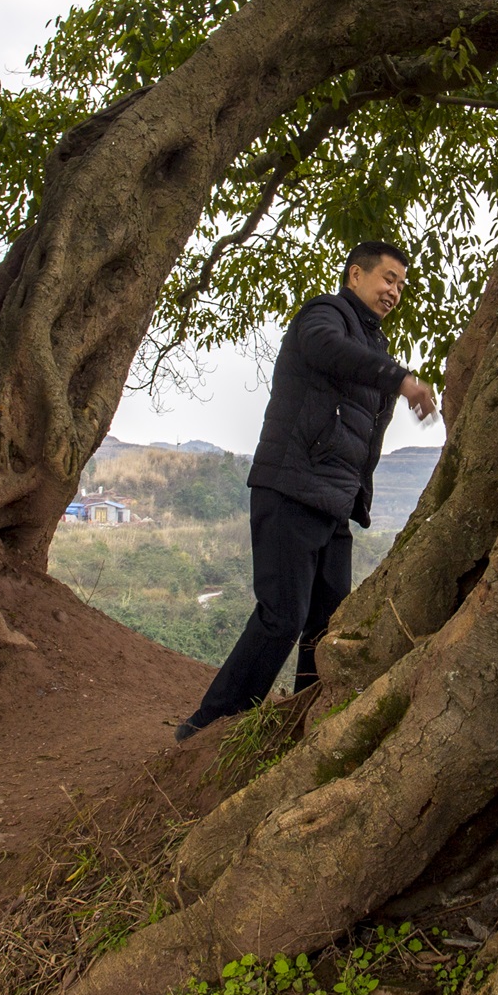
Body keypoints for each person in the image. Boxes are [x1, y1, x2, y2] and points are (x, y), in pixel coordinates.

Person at [174, 242, 437, 740]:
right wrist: (399, 379)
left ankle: (303, 723)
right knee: (283, 617)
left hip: (332, 504)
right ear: (355, 275)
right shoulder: (325, 314)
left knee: (328, 626)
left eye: (401, 284)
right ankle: (209, 726)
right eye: (387, 279)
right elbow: (324, 349)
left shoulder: (372, 345)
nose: (395, 291)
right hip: (291, 488)